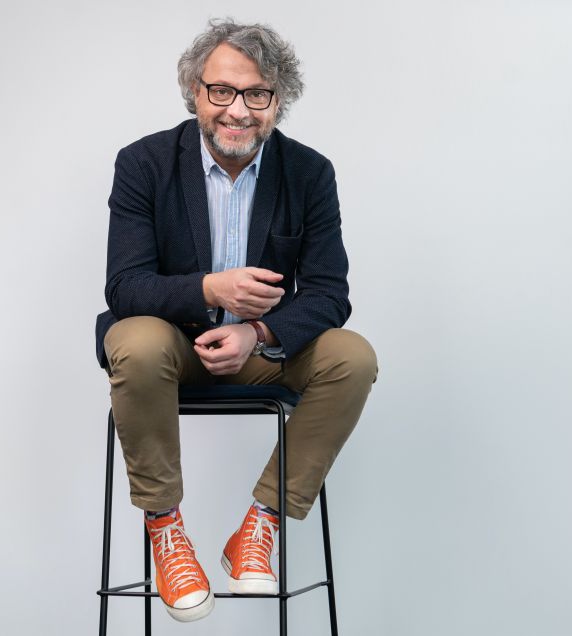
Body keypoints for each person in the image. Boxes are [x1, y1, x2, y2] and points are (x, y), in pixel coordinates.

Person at [93, 18, 377, 623]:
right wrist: (211, 289)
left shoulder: (309, 173)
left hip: (261, 355)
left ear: (278, 99)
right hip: (170, 351)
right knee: (134, 340)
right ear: (195, 91)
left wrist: (258, 331)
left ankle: (260, 525)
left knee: (352, 356)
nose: (238, 110)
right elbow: (125, 286)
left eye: (256, 94)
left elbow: (329, 293)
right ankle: (165, 528)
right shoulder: (143, 163)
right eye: (221, 90)